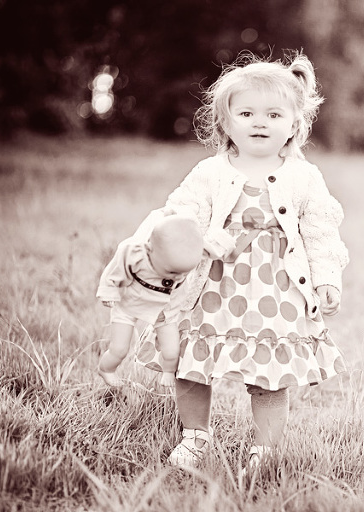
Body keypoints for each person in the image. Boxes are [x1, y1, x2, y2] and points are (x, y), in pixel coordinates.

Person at [130, 50, 349, 471]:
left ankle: (265, 449)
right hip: (212, 287)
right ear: (225, 123)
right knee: (192, 364)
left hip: (277, 292)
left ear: (294, 125)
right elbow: (179, 214)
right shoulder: (210, 172)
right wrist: (177, 244)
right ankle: (195, 436)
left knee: (270, 377)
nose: (259, 123)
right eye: (246, 113)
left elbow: (321, 231)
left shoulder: (303, 177)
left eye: (273, 115)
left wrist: (327, 279)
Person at [96, 215, 203, 388]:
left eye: (184, 273)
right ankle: (106, 369)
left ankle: (169, 371)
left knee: (172, 350)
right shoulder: (134, 254)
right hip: (128, 304)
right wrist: (109, 292)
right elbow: (113, 272)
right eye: (172, 272)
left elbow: (216, 247)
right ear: (149, 250)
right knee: (119, 349)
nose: (178, 277)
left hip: (163, 310)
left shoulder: (186, 256)